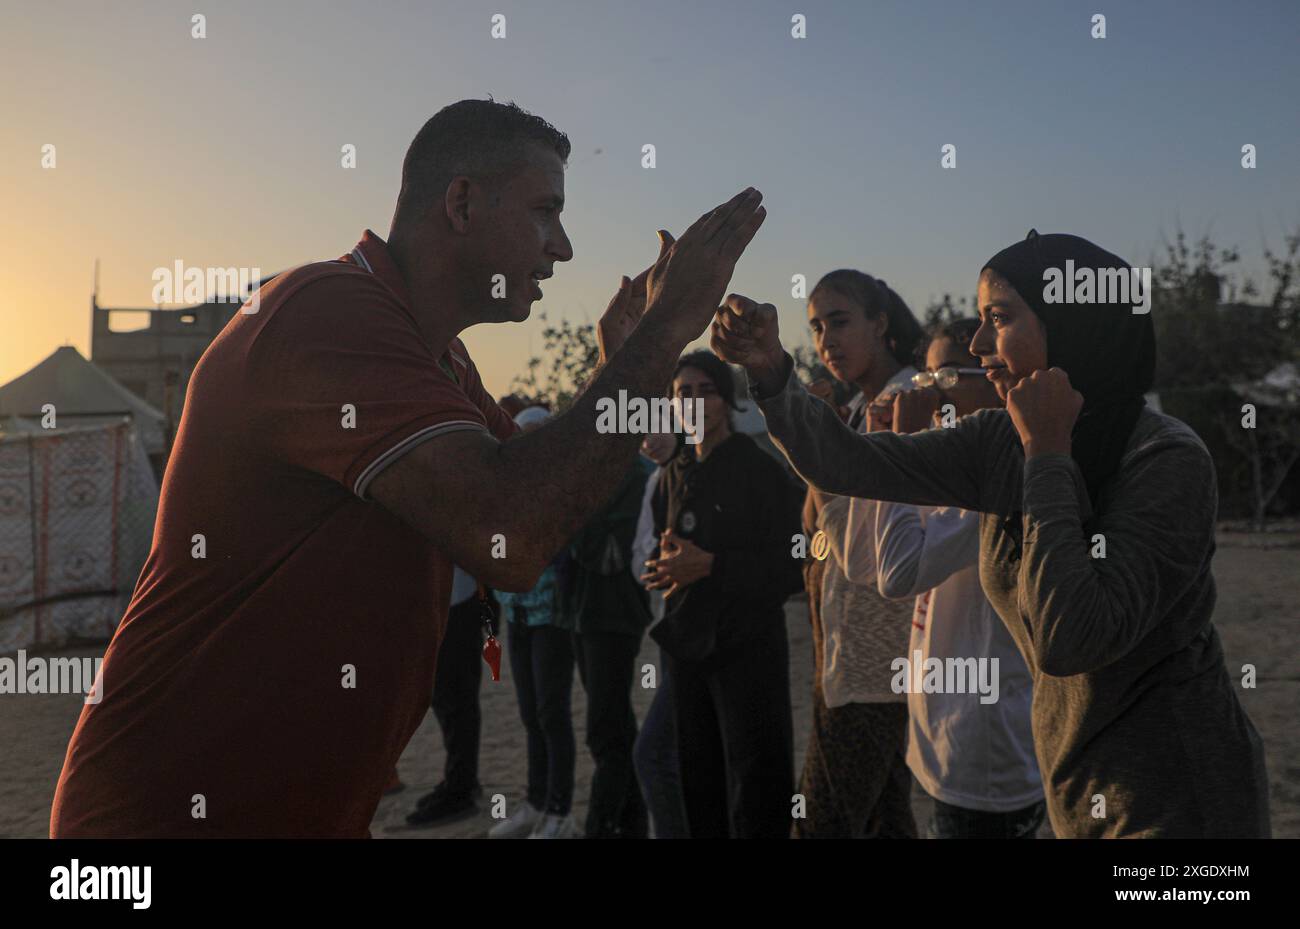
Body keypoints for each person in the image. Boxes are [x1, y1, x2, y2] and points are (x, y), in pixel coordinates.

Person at [51, 98, 768, 837]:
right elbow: (509, 533)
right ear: (461, 202)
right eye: (545, 211)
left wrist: (622, 363)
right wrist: (664, 329)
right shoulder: (326, 312)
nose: (563, 249)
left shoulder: (439, 360)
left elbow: (542, 492)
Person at [711, 230, 1272, 838]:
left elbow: (1070, 638)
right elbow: (850, 462)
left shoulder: (1164, 460)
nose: (977, 344)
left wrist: (1048, 455)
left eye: (998, 318)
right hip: (1074, 785)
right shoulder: (1000, 439)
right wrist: (769, 370)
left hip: (1182, 796)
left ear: (1071, 323)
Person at [848, 318, 1044, 838]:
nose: (931, 394)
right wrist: (877, 446)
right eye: (926, 379)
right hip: (939, 737)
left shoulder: (999, 481)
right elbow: (859, 564)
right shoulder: (951, 466)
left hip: (983, 747)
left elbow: (899, 573)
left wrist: (900, 445)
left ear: (994, 378)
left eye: (946, 378)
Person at [642, 351, 803, 838]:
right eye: (682, 392)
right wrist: (665, 567)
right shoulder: (673, 473)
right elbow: (663, 548)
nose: (692, 401)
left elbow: (798, 557)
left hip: (748, 647)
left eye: (703, 391)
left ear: (727, 399)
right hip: (688, 646)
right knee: (699, 779)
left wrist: (713, 565)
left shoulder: (759, 470)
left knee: (757, 783)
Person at [796, 271, 923, 839]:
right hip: (845, 652)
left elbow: (864, 547)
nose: (826, 340)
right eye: (817, 328)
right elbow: (815, 528)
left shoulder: (910, 404)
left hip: (878, 660)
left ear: (880, 323)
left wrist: (814, 438)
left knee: (822, 824)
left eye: (840, 321)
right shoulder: (854, 410)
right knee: (884, 820)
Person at [490, 406, 580, 839]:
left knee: (551, 711)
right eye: (522, 434)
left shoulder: (562, 489)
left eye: (537, 434)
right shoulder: (506, 489)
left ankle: (561, 811)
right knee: (530, 712)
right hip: (518, 613)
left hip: (553, 616)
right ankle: (536, 802)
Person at [563, 455, 656, 838]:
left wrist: (571, 516)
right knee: (613, 724)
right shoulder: (589, 471)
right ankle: (631, 823)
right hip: (583, 612)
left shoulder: (632, 472)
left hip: (614, 615)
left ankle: (600, 826)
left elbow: (608, 554)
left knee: (605, 731)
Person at [630, 430, 691, 839]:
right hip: (672, 627)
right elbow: (642, 558)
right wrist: (662, 566)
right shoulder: (656, 480)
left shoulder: (706, 472)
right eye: (642, 432)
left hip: (710, 634)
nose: (650, 441)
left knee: (653, 754)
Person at [404, 564, 497, 825]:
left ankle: (461, 788)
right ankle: (459, 779)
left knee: (456, 700)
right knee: (447, 700)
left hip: (455, 599)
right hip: (447, 596)